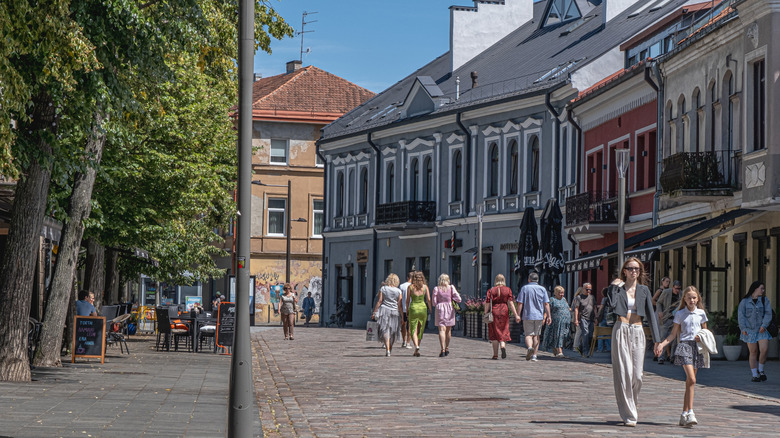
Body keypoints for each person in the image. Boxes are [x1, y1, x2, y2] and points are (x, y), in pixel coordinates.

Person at [606, 257, 662, 427]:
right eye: (630, 268)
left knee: (637, 375)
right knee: (624, 373)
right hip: (621, 329)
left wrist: (658, 340)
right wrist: (613, 287)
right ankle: (630, 414)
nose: (634, 272)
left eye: (637, 269)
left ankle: (631, 404)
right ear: (624, 271)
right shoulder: (618, 288)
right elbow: (612, 305)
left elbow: (651, 315)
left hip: (638, 331)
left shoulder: (644, 290)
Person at [655, 286, 708, 427]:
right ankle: (691, 412)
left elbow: (706, 332)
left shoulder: (701, 313)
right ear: (684, 298)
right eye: (689, 297)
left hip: (697, 348)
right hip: (684, 346)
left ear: (698, 299)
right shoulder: (680, 314)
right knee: (692, 378)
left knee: (690, 382)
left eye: (694, 297)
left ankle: (684, 414)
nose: (692, 300)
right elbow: (673, 334)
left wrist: (701, 337)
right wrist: (662, 344)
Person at [738, 281, 773, 382]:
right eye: (761, 288)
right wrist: (743, 328)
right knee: (753, 352)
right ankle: (754, 375)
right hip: (749, 331)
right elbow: (741, 316)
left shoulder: (764, 300)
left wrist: (764, 325)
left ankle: (761, 370)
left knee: (764, 349)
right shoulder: (744, 302)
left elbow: (768, 314)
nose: (763, 290)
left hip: (762, 330)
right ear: (755, 288)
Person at [516, 272, 551, 362]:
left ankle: (529, 348)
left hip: (527, 315)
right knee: (536, 336)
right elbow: (546, 303)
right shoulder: (542, 289)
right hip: (538, 316)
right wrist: (548, 316)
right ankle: (534, 356)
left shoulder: (525, 288)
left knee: (528, 335)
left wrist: (518, 314)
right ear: (537, 280)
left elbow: (520, 303)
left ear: (529, 279)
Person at [485, 274, 520, 359]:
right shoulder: (507, 290)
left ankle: (495, 354)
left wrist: (485, 312)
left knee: (494, 332)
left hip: (494, 311)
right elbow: (511, 303)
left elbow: (487, 303)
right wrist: (516, 315)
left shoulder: (491, 290)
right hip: (504, 310)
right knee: (504, 329)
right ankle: (503, 346)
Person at [371, 273, 403, 356]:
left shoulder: (383, 288)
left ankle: (387, 349)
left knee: (385, 329)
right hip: (395, 311)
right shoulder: (398, 291)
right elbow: (399, 304)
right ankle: (390, 348)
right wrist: (402, 316)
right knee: (393, 331)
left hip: (384, 310)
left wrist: (374, 312)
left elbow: (379, 301)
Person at [432, 273, 462, 357]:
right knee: (448, 330)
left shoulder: (436, 289)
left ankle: (442, 349)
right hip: (449, 309)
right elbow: (459, 299)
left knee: (441, 329)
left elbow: (434, 302)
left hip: (440, 309)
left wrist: (438, 303)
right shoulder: (451, 287)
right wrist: (452, 299)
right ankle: (447, 347)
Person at [656, 280, 683, 364]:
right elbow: (659, 302)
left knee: (675, 338)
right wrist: (660, 311)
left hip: (677, 319)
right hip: (667, 317)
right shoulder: (666, 292)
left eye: (679, 289)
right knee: (664, 337)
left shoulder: (682, 294)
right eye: (676, 289)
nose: (677, 291)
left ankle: (672, 357)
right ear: (673, 287)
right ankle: (661, 357)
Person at [406, 271, 431, 357]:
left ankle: (416, 346)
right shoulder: (425, 287)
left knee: (413, 329)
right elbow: (428, 299)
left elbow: (407, 300)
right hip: (423, 309)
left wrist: (407, 310)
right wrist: (430, 309)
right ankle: (417, 348)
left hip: (413, 308)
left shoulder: (410, 287)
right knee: (421, 329)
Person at [541, 285, 570, 358]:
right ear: (556, 293)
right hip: (556, 322)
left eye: (563, 293)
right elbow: (547, 310)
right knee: (558, 336)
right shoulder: (552, 300)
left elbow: (566, 308)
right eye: (560, 293)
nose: (562, 295)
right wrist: (544, 318)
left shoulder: (564, 299)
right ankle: (560, 352)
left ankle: (556, 351)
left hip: (565, 322)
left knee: (564, 336)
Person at [573, 282, 596, 357]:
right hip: (583, 318)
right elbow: (576, 309)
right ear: (583, 289)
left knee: (590, 335)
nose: (588, 291)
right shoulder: (579, 297)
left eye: (590, 289)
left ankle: (580, 347)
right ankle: (585, 352)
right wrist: (576, 319)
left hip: (591, 318)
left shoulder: (592, 297)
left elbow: (594, 307)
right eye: (587, 289)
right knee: (585, 333)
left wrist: (596, 317)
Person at [399, 272, 413, 348]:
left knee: (403, 325)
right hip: (411, 308)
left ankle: (404, 341)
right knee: (410, 326)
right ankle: (408, 342)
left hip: (403, 308)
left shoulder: (402, 286)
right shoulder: (414, 286)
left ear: (408, 277)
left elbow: (400, 298)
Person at [570, 286, 584, 352]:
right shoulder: (578, 298)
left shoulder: (576, 298)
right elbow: (575, 308)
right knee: (579, 332)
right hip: (577, 317)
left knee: (579, 332)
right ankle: (575, 346)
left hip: (577, 317)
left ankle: (578, 346)